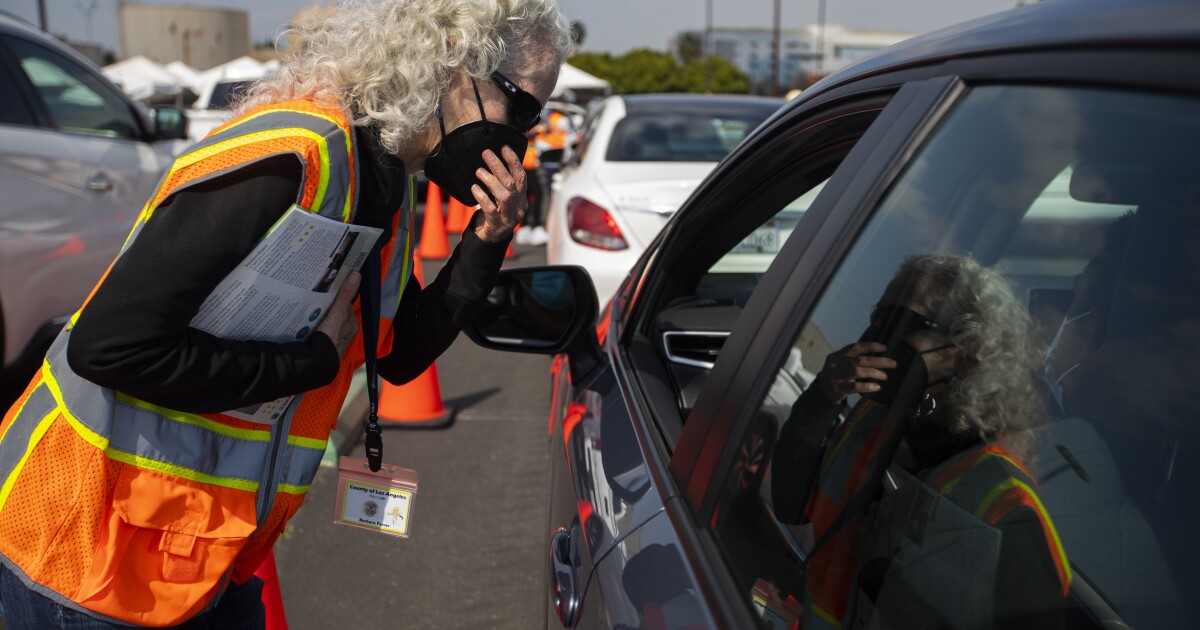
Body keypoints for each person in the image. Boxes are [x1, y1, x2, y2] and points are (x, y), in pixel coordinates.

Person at [0, 1, 571, 627]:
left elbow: (401, 353)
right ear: (451, 61)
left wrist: (486, 239)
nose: (521, 137)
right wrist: (311, 362)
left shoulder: (383, 180)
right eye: (520, 107)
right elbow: (110, 346)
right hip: (85, 553)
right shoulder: (296, 154)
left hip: (205, 553)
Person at [772, 254, 1070, 630]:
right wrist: (823, 397)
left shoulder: (1007, 503)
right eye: (878, 316)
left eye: (902, 322)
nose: (877, 336)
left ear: (966, 349)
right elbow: (790, 505)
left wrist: (886, 578)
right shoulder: (872, 417)